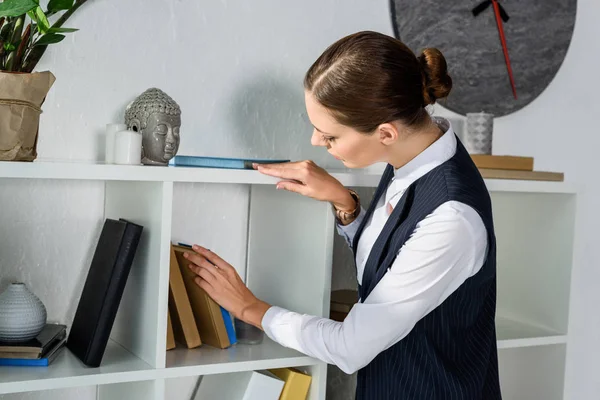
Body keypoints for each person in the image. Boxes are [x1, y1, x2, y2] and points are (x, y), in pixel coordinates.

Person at [183, 31, 501, 399]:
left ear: (385, 132)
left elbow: (350, 347)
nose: (316, 142)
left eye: (329, 136)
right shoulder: (414, 157)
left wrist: (250, 308)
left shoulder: (451, 218)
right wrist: (346, 204)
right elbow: (393, 260)